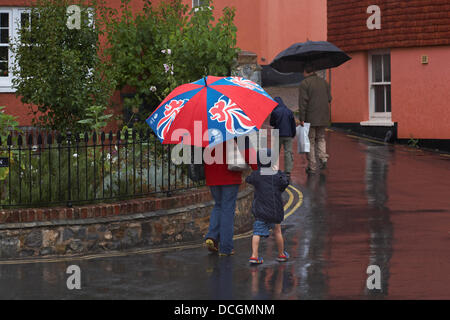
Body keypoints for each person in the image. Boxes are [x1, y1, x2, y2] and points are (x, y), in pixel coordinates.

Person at [204, 140, 257, 256]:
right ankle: (226, 247)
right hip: (230, 175)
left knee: (218, 205)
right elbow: (248, 152)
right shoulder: (235, 128)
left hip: (212, 174)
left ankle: (212, 236)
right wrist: (257, 168)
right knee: (227, 209)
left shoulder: (207, 131)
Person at [245, 149, 290, 264]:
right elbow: (285, 183)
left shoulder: (257, 175)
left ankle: (254, 256)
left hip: (260, 210)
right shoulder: (277, 175)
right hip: (275, 210)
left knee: (256, 232)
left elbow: (248, 179)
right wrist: (279, 172)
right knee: (278, 231)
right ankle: (281, 254)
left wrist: (255, 171)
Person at [298, 64, 332, 173]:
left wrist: (302, 118)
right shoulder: (324, 82)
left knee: (311, 141)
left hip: (310, 117)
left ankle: (312, 166)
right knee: (321, 138)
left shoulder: (304, 83)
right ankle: (323, 158)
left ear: (305, 71)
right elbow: (329, 99)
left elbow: (303, 103)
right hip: (324, 116)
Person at [270, 96, 296, 181]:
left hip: (277, 134)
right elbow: (293, 124)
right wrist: (293, 134)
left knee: (275, 152)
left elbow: (272, 123)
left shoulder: (275, 112)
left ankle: (274, 168)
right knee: (288, 152)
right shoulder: (289, 111)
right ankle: (288, 171)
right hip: (288, 134)